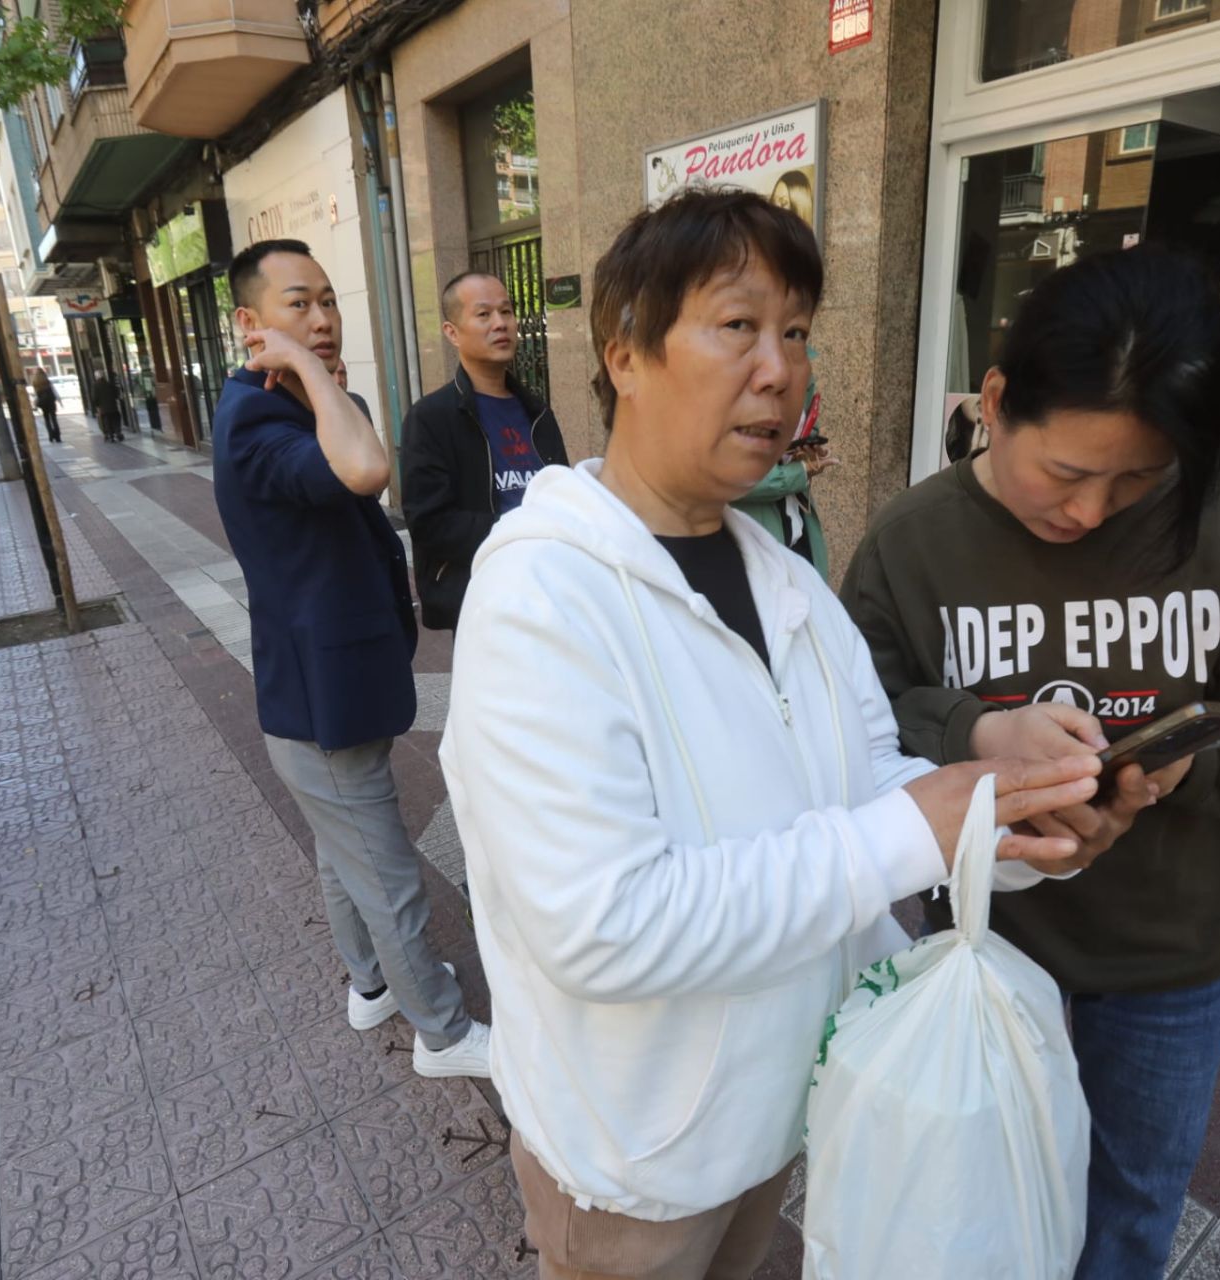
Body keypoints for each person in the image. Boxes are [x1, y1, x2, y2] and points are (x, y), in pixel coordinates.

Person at [440, 189, 1103, 1280]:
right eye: (737, 325)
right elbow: (604, 922)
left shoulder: (785, 578)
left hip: (782, 1105)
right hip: (636, 1152)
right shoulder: (542, 597)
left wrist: (1008, 815)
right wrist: (908, 830)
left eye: (795, 331)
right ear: (626, 356)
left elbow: (868, 781)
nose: (780, 367)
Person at [840, 245, 1220, 1280]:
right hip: (988, 940)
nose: (1089, 510)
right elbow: (849, 713)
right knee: (977, 1195)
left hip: (1172, 948)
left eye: (1139, 477)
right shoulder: (914, 543)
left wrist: (1184, 767)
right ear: (995, 402)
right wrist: (972, 731)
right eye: (1068, 471)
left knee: (1130, 1204)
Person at [212, 237, 491, 1080]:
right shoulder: (257, 416)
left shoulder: (302, 403)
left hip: (335, 686)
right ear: (249, 323)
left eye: (327, 301)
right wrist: (303, 365)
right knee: (387, 873)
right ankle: (442, 1034)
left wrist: (310, 372)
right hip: (320, 700)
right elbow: (368, 471)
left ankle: (371, 986)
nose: (324, 320)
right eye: (298, 304)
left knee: (345, 853)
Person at [399, 271, 569, 631]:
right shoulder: (430, 418)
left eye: (506, 312)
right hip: (481, 599)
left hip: (549, 589)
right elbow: (429, 523)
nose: (501, 324)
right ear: (451, 332)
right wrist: (523, 530)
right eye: (484, 315)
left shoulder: (537, 411)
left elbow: (563, 494)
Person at [731, 374, 833, 575]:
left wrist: (808, 450)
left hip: (798, 528)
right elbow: (728, 477)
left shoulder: (802, 370)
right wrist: (799, 473)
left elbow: (809, 427)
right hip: (752, 541)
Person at [90, 372, 123, 442]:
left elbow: (94, 398)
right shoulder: (109, 384)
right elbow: (116, 394)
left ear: (96, 377)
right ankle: (118, 432)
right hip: (113, 407)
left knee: (107, 422)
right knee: (115, 420)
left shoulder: (95, 386)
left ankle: (110, 436)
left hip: (103, 408)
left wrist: (97, 406)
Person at [30, 368, 61, 443]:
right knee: (54, 418)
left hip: (43, 403)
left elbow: (35, 395)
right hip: (51, 401)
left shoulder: (35, 383)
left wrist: (35, 404)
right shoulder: (47, 382)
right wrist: (59, 400)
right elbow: (54, 391)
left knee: (46, 419)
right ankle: (57, 436)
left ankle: (50, 435)